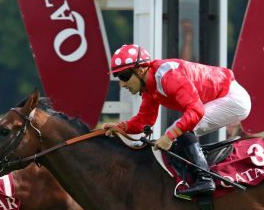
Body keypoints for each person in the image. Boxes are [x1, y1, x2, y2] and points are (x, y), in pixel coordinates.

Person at [103, 44, 252, 197]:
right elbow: (144, 121)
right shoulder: (150, 86)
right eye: (118, 77)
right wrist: (120, 127)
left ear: (140, 69)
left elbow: (196, 111)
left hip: (233, 98)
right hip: (223, 97)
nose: (122, 84)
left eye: (124, 76)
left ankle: (204, 179)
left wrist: (169, 136)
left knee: (179, 129)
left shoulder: (169, 76)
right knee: (177, 129)